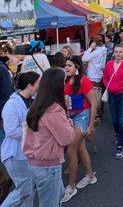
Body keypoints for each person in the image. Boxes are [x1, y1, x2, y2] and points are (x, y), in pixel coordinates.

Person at [23, 68, 75, 207]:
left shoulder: (37, 104)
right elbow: (68, 138)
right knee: (51, 203)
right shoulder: (53, 109)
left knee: (54, 198)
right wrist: (68, 120)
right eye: (64, 82)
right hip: (48, 164)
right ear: (57, 85)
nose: (65, 84)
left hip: (37, 161)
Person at [1, 71, 40, 207]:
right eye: (38, 83)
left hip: (25, 153)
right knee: (24, 191)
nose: (40, 86)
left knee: (28, 189)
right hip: (14, 155)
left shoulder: (31, 100)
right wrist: (34, 131)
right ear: (30, 85)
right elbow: (11, 131)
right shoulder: (11, 105)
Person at [63, 56, 97, 202]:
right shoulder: (66, 80)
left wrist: (90, 125)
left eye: (69, 65)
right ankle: (90, 175)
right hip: (70, 116)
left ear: (76, 66)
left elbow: (94, 103)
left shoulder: (83, 80)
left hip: (82, 116)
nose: (66, 68)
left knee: (71, 151)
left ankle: (71, 187)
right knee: (81, 148)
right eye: (66, 65)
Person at [102, 45, 123, 159]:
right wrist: (108, 86)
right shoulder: (108, 64)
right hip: (112, 94)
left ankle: (120, 145)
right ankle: (118, 134)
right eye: (116, 52)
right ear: (113, 53)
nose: (118, 54)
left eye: (120, 52)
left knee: (121, 120)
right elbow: (105, 78)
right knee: (115, 120)